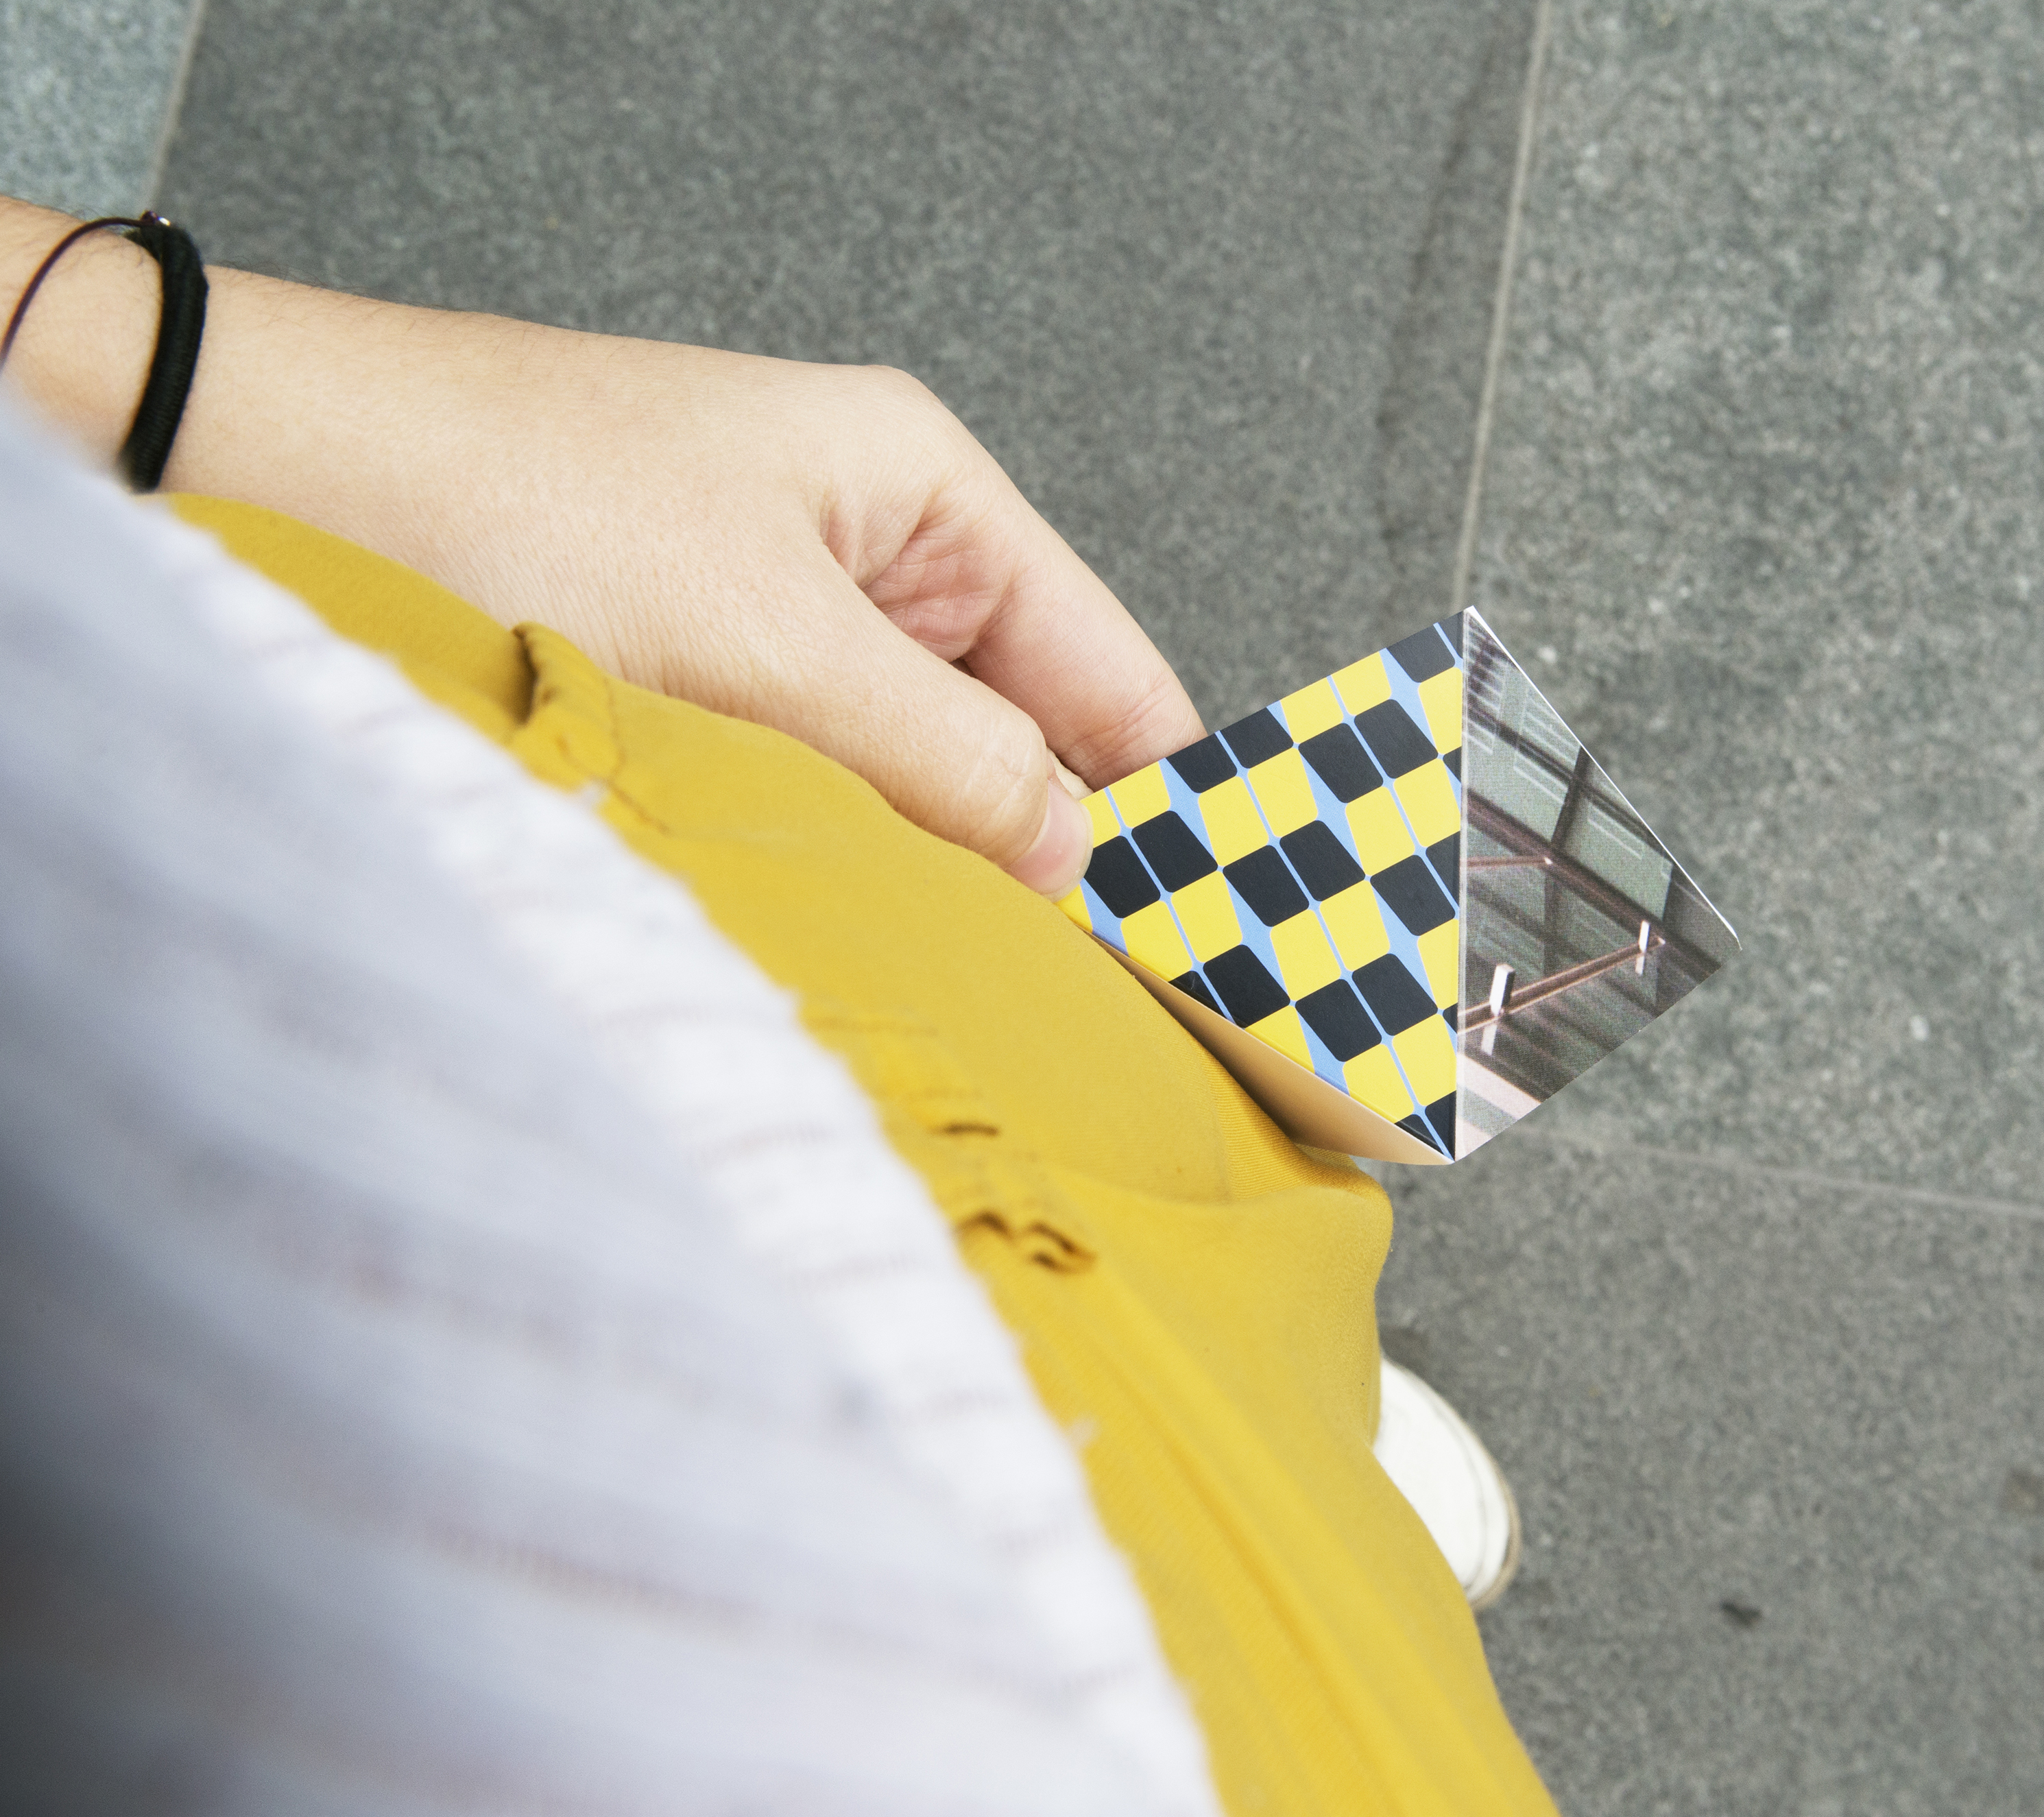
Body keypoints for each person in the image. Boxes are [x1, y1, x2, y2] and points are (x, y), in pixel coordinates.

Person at [0, 195, 1548, 1816]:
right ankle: (1279, 1475)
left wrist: (164, 371)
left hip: (494, 856)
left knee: (1201, 1192)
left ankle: (1281, 1436)